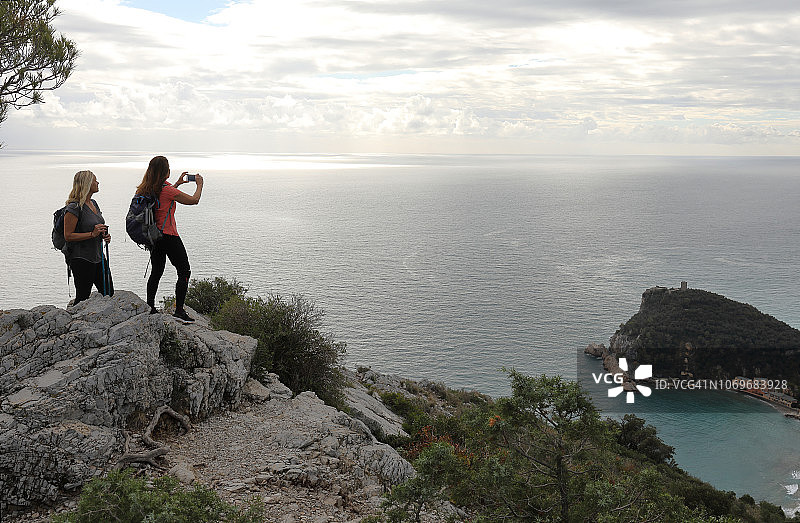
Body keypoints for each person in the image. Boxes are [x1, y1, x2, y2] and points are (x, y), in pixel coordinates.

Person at [135, 155, 203, 322]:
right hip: (169, 235)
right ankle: (179, 310)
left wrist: (178, 184)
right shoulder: (168, 191)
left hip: (154, 237)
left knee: (157, 271)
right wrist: (200, 185)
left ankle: (150, 306)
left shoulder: (145, 188)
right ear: (165, 171)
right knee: (184, 271)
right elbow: (194, 200)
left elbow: (162, 198)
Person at [63, 170, 113, 305]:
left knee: (109, 293)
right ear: (87, 184)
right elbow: (68, 236)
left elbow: (95, 226)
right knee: (83, 297)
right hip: (81, 259)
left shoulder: (94, 203)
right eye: (95, 180)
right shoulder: (74, 207)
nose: (98, 183)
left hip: (98, 257)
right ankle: (76, 324)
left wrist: (104, 235)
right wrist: (92, 234)